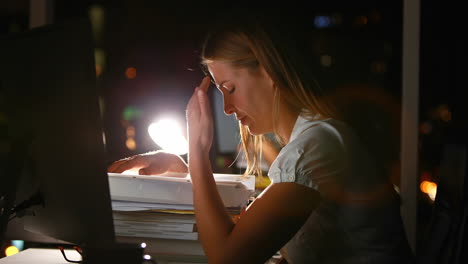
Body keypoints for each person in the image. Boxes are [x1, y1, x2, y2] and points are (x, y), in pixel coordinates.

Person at [108, 13, 414, 264]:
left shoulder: (315, 146)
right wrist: (184, 170)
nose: (226, 109)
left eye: (230, 89)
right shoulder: (311, 140)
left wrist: (197, 152)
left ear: (268, 72)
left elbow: (228, 260)